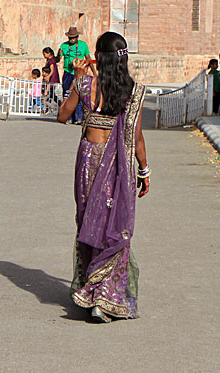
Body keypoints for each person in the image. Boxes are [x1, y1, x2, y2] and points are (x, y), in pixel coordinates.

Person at [58, 31, 148, 323]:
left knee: (88, 221)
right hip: (118, 164)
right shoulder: (133, 91)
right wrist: (144, 170)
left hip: (88, 158)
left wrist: (77, 77)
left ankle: (89, 290)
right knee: (113, 224)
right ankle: (105, 297)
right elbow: (136, 137)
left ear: (97, 56)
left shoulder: (85, 84)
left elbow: (62, 116)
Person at [55, 26, 91, 124]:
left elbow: (88, 58)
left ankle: (78, 117)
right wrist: (58, 54)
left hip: (79, 73)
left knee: (79, 94)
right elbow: (57, 60)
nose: (72, 39)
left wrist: (90, 69)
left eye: (73, 37)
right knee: (67, 94)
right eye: (70, 38)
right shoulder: (64, 46)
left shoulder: (83, 45)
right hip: (68, 72)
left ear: (77, 37)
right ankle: (68, 117)